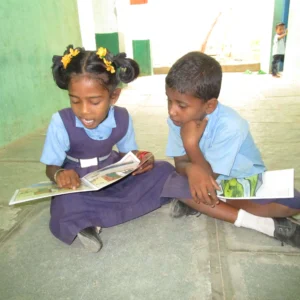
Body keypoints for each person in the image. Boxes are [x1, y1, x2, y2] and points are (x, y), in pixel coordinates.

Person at [40, 45, 174, 252]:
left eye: (94, 102)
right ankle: (86, 226)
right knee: (67, 201)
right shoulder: (61, 121)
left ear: (114, 96)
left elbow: (128, 155)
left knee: (163, 169)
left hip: (110, 173)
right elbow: (51, 167)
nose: (84, 111)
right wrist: (59, 174)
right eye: (75, 101)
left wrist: (143, 159)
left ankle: (91, 220)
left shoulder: (122, 117)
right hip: (78, 181)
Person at [161, 51, 300, 248]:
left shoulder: (231, 125)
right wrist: (191, 169)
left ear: (209, 106)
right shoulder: (176, 120)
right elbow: (180, 164)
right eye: (169, 100)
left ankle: (200, 203)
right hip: (205, 182)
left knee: (292, 202)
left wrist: (191, 144)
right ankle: (264, 226)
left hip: (244, 183)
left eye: (181, 105)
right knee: (170, 179)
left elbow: (210, 179)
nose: (172, 111)